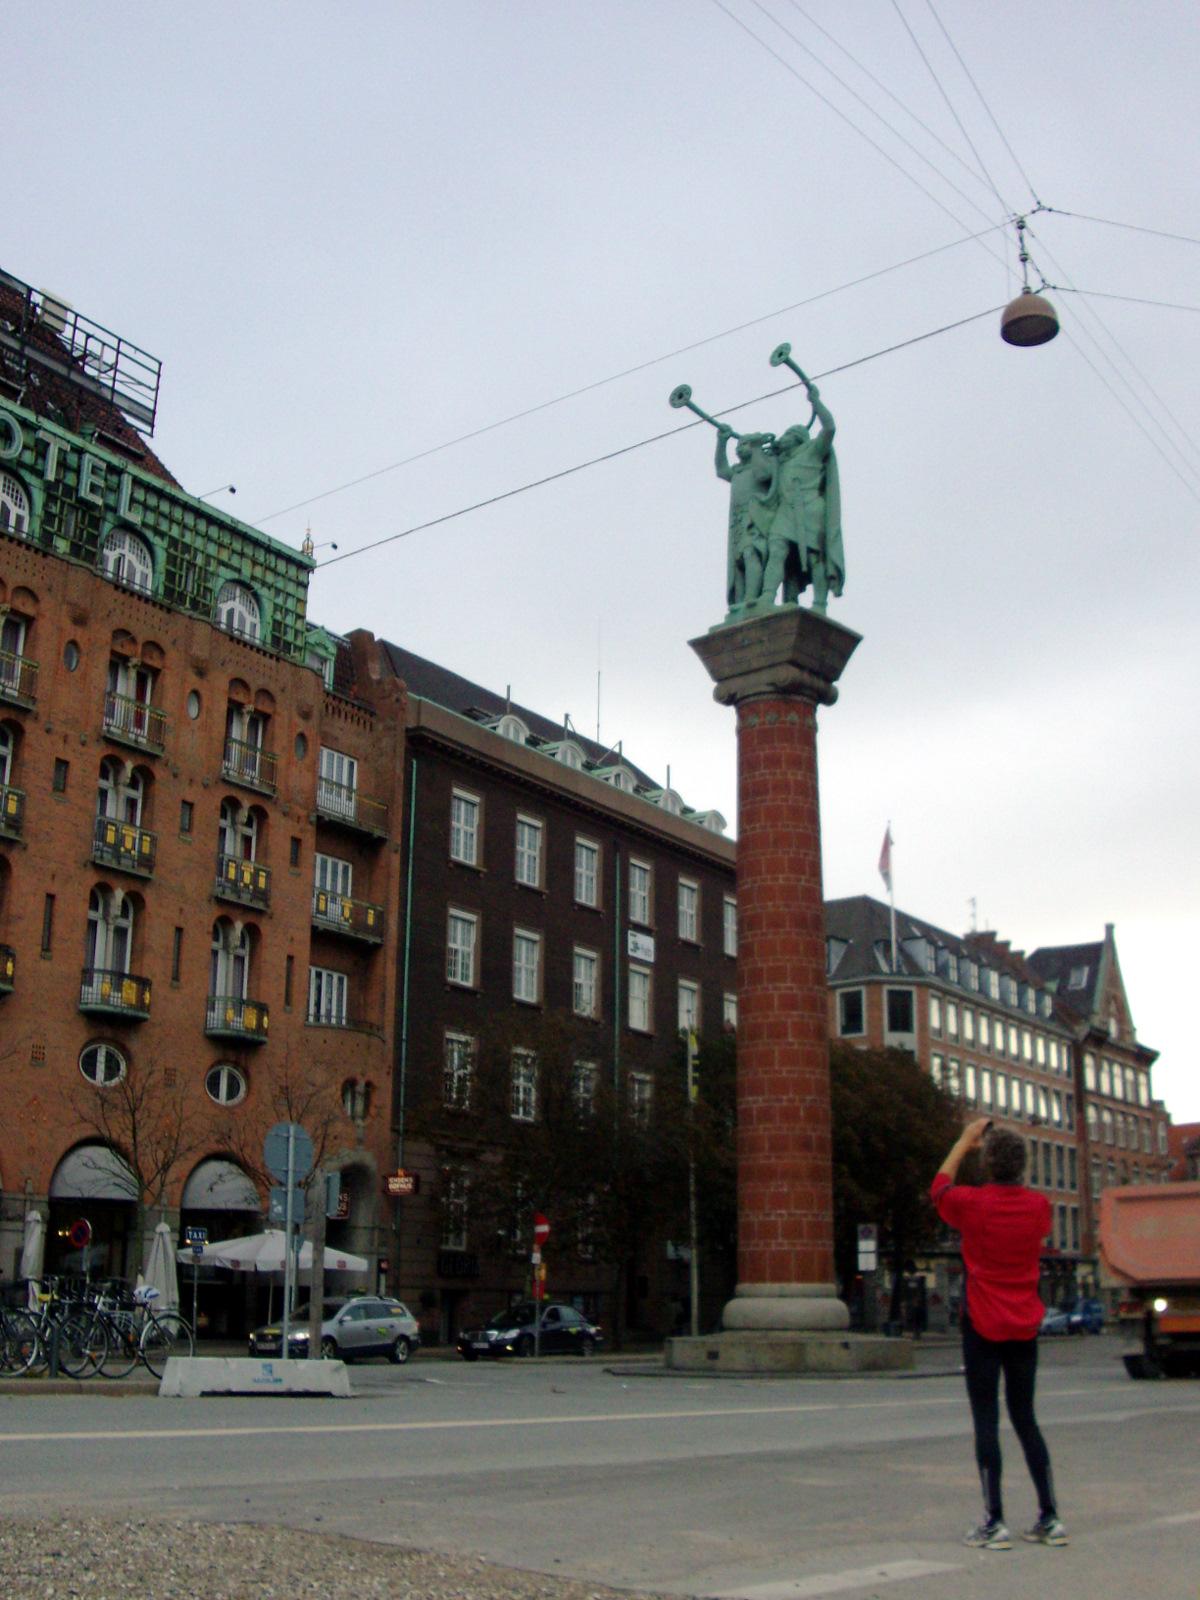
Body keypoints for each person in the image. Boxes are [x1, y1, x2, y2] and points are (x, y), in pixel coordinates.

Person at [931, 1116, 1068, 1551]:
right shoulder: (1039, 1207)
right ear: (1024, 1164)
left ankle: (994, 1520)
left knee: (986, 1418)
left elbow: (938, 1188)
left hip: (983, 1321)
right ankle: (1049, 1515)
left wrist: (963, 1140)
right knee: (1026, 1418)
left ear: (987, 1163)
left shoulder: (974, 1204)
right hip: (1024, 1322)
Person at [759, 378, 844, 614]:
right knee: (777, 549)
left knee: (816, 556)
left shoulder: (813, 450)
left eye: (786, 435)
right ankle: (767, 596)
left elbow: (829, 428)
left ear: (797, 438)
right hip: (786, 510)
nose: (781, 439)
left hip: (810, 509)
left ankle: (820, 603)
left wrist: (816, 402)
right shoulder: (780, 462)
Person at [714, 425, 776, 612]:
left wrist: (758, 448)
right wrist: (722, 442)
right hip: (738, 522)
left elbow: (764, 475)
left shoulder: (764, 465)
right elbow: (721, 469)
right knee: (738, 563)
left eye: (745, 444)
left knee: (751, 553)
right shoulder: (738, 471)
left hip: (756, 519)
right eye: (738, 445)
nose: (739, 448)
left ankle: (752, 598)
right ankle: (740, 602)